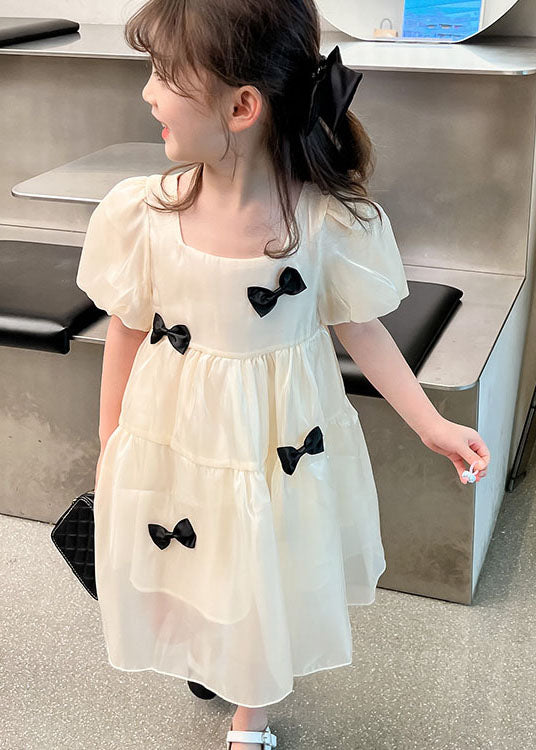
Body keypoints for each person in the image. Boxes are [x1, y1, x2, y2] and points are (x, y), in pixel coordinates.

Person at [76, 1, 491, 748]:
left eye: (165, 75)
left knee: (257, 561)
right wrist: (112, 443)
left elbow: (360, 328)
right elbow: (128, 326)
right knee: (199, 551)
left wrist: (432, 423)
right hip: (175, 431)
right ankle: (216, 651)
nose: (148, 92)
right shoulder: (144, 213)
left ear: (241, 107)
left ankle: (251, 714)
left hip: (275, 442)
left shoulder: (325, 223)